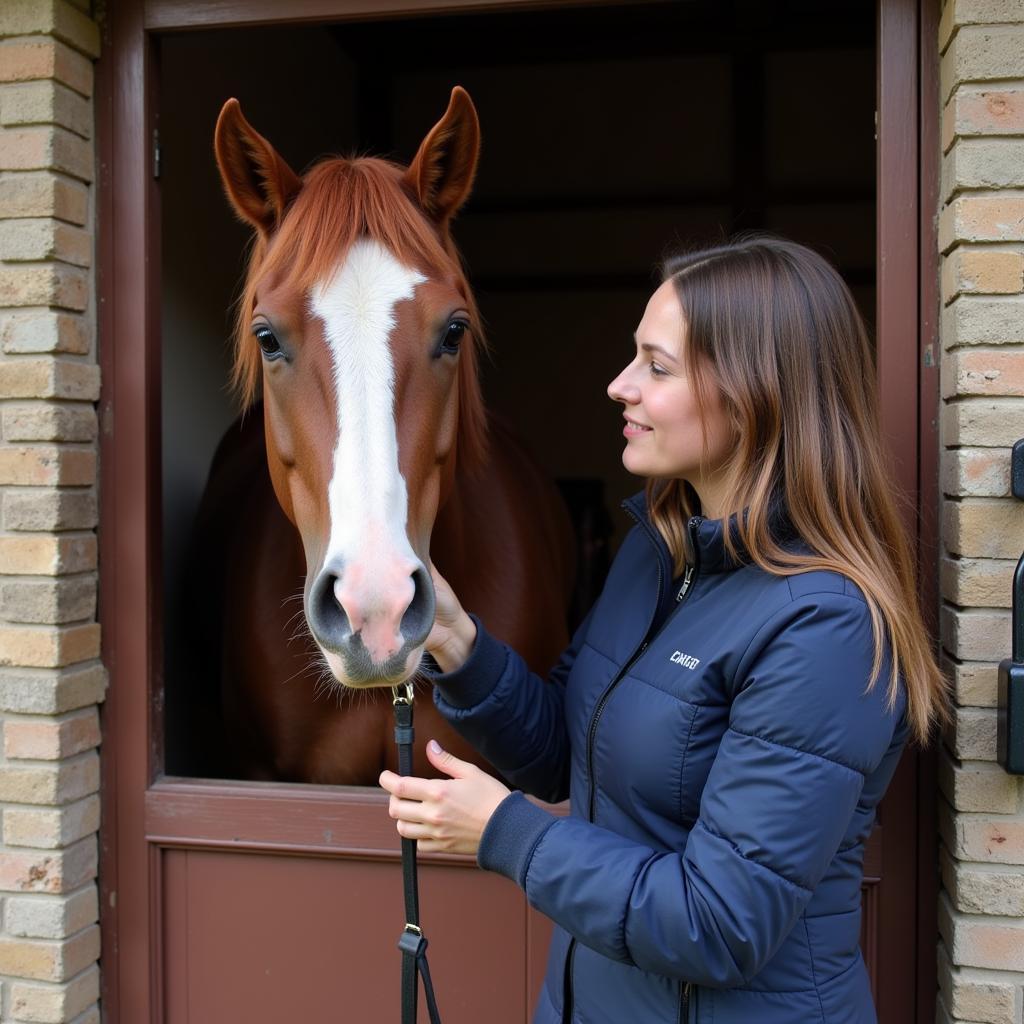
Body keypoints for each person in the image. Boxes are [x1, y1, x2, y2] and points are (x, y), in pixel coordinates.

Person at [379, 235, 947, 1024]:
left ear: (754, 393)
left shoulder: (827, 625)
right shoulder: (659, 552)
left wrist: (503, 832)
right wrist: (455, 642)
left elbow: (720, 923)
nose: (619, 387)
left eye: (656, 366)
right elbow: (570, 757)